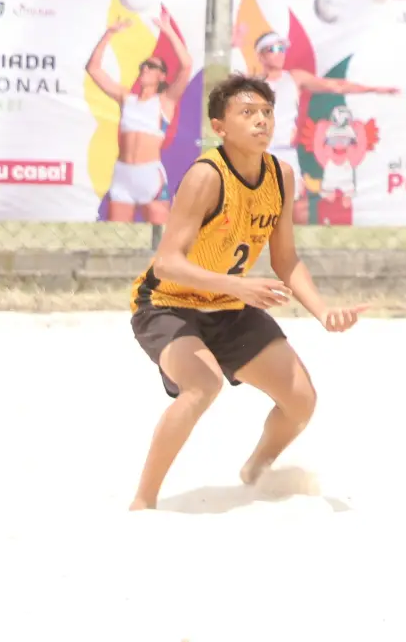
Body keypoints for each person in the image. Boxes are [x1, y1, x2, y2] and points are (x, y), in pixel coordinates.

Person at [127, 74, 363, 510]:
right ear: (220, 126)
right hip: (168, 304)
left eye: (267, 112)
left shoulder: (280, 175)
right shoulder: (206, 176)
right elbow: (168, 262)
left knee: (301, 401)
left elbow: (286, 260)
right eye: (247, 113)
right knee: (202, 384)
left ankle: (256, 472)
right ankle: (143, 502)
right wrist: (239, 285)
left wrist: (324, 312)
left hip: (228, 304)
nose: (261, 121)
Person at [252, 31, 397, 223]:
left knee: (297, 209)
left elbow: (335, 86)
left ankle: (294, 250)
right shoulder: (251, 84)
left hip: (285, 152)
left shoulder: (295, 78)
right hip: (258, 152)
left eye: (282, 48)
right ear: (261, 55)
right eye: (273, 49)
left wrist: (374, 89)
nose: (279, 53)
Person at [87, 11, 195, 225]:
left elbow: (186, 66)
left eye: (151, 66)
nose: (145, 68)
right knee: (117, 239)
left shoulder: (165, 101)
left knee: (160, 241)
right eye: (143, 65)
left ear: (161, 76)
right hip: (122, 175)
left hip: (149, 177)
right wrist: (108, 34)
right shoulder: (126, 98)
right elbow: (93, 69)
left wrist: (168, 31)